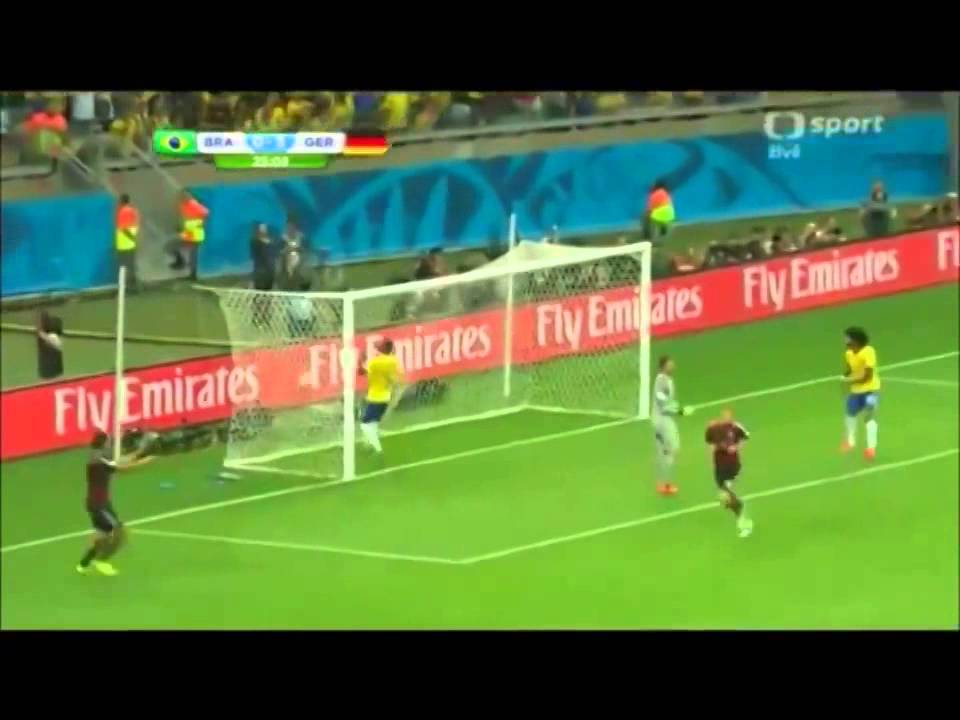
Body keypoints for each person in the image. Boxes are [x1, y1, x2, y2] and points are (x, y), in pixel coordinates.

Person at [76, 431, 154, 576]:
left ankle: (83, 564)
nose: (110, 445)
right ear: (103, 444)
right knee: (120, 532)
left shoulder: (98, 457)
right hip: (99, 504)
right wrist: (144, 461)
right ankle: (101, 560)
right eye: (108, 443)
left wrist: (139, 453)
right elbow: (123, 468)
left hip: (99, 503)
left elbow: (120, 461)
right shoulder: (98, 460)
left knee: (102, 536)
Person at [704, 409, 753, 538]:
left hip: (732, 466)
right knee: (724, 499)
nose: (726, 418)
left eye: (728, 416)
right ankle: (739, 511)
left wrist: (736, 447)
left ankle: (743, 522)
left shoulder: (735, 427)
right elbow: (710, 443)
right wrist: (711, 459)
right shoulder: (714, 429)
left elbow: (746, 436)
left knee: (725, 495)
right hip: (719, 467)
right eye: (724, 416)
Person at [652, 356, 693, 496]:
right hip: (663, 420)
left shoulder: (666, 380)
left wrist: (679, 408)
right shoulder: (662, 381)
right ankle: (665, 484)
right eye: (670, 364)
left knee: (664, 451)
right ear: (663, 367)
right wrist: (680, 411)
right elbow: (662, 403)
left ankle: (662, 482)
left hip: (661, 419)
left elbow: (669, 401)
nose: (673, 366)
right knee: (672, 449)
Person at [841, 326, 881, 460]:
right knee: (850, 413)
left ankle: (871, 448)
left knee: (869, 417)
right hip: (856, 391)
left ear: (856, 340)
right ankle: (850, 442)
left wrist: (849, 380)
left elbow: (867, 377)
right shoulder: (848, 354)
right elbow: (849, 369)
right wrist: (844, 376)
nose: (845, 341)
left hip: (871, 391)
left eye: (847, 338)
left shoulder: (868, 352)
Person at [357, 338, 403, 456]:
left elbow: (360, 371)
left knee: (365, 425)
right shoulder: (393, 360)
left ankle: (378, 449)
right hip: (386, 396)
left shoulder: (375, 362)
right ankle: (369, 444)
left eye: (378, 348)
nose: (376, 349)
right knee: (373, 423)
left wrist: (360, 359)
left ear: (381, 349)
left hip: (376, 398)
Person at [172, 190, 209, 281]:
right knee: (172, 247)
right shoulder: (183, 205)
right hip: (188, 233)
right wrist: (180, 227)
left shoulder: (193, 204)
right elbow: (185, 219)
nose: (183, 197)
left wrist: (200, 224)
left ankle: (192, 274)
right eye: (182, 196)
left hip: (195, 234)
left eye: (185, 195)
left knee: (192, 254)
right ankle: (182, 262)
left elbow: (205, 213)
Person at [114, 194, 139, 291]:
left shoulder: (121, 212)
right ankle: (132, 286)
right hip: (130, 243)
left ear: (122, 201)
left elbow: (123, 228)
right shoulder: (132, 211)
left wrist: (131, 237)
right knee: (131, 266)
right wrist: (133, 238)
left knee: (123, 267)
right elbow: (130, 226)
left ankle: (126, 287)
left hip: (123, 244)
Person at [36, 311, 64, 380]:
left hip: (52, 369)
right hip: (49, 369)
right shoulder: (48, 337)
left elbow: (46, 337)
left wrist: (41, 333)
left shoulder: (52, 337)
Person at [250, 222, 274, 291]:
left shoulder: (270, 242)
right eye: (261, 229)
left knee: (268, 290)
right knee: (259, 290)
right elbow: (253, 255)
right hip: (260, 270)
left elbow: (272, 255)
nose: (263, 231)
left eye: (264, 229)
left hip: (269, 271)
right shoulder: (254, 241)